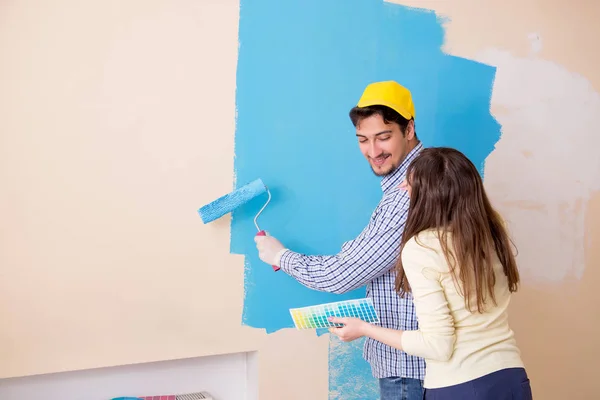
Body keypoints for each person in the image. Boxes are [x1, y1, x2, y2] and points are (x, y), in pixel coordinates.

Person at [254, 80, 426, 399]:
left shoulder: (409, 194)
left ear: (409, 129)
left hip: (409, 370)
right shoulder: (429, 177)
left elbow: (341, 275)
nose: (373, 151)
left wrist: (280, 256)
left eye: (383, 137)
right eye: (363, 140)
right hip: (411, 365)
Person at [328, 147, 533, 400]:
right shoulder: (491, 229)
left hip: (461, 386)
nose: (402, 187)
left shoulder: (423, 247)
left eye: (411, 183)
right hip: (510, 378)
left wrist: (364, 328)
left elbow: (437, 345)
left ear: (430, 196)